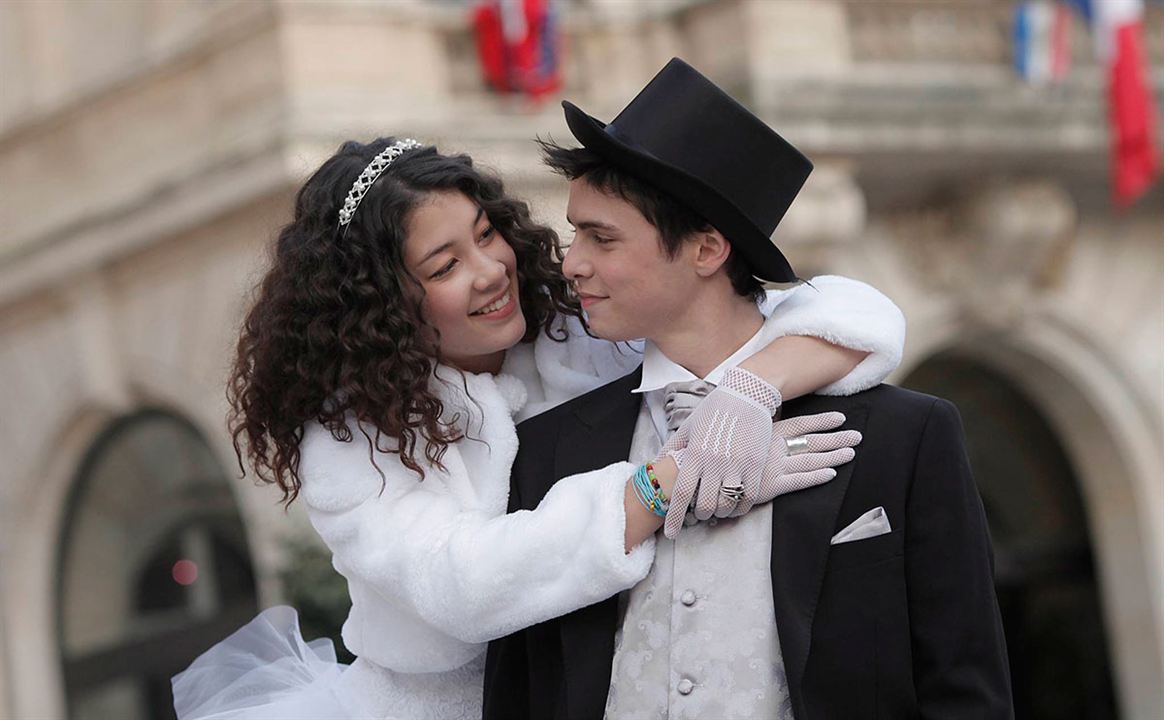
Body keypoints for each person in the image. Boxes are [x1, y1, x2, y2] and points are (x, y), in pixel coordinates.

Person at [171, 129, 906, 718]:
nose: (492, 269)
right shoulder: (350, 438)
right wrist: (667, 482)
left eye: (486, 233)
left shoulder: (572, 329)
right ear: (380, 303)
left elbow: (851, 314)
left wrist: (750, 387)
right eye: (445, 264)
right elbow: (463, 585)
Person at [483, 58, 1013, 719]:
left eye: (600, 237)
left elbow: (966, 691)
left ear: (707, 250)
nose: (572, 262)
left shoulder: (905, 435)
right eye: (573, 233)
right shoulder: (545, 451)